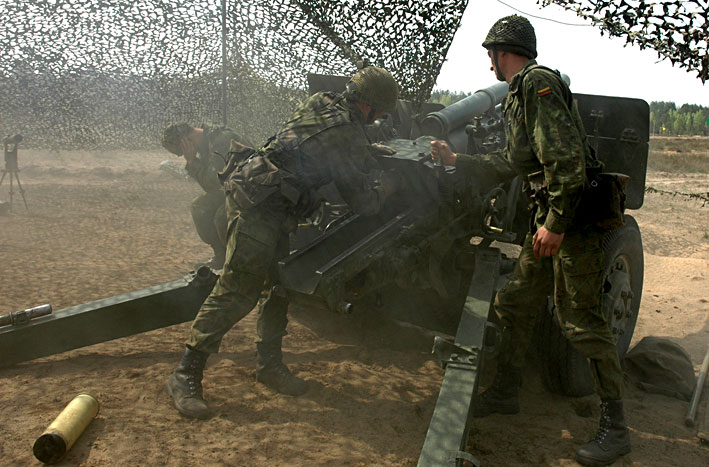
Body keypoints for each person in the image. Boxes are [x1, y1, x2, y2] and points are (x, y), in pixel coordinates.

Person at [429, 15, 630, 467]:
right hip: (551, 219)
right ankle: (505, 392)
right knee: (516, 302)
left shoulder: (537, 84)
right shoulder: (519, 96)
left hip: (572, 223)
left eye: (491, 55)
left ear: (501, 53)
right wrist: (457, 160)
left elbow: (567, 162)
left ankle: (616, 430)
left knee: (581, 322)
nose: (489, 65)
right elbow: (511, 162)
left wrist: (555, 224)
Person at [165, 66, 402, 420]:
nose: (378, 118)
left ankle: (269, 365)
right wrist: (390, 185)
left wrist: (365, 151)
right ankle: (185, 373)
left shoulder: (321, 100)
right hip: (259, 205)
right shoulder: (348, 134)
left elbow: (316, 144)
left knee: (277, 286)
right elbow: (363, 202)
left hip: (270, 199)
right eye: (379, 113)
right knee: (238, 288)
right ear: (368, 106)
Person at [161, 123, 252, 268]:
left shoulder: (220, 141)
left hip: (252, 190)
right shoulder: (206, 143)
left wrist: (192, 161)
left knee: (222, 216)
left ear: (185, 141)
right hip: (235, 188)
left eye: (182, 149)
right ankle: (221, 255)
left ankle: (238, 260)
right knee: (200, 206)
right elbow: (213, 186)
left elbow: (213, 183)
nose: (183, 153)